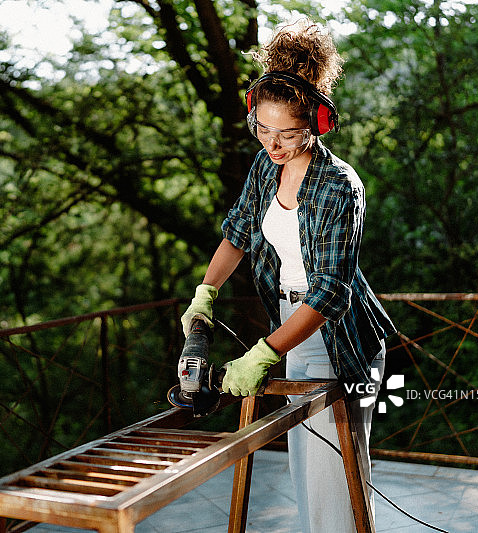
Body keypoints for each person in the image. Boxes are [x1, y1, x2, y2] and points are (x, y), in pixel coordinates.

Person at [180, 18, 396, 533]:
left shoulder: (339, 186)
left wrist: (264, 352)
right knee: (307, 469)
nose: (273, 143)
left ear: (317, 124)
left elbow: (329, 292)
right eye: (264, 129)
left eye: (288, 133)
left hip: (335, 333)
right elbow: (237, 232)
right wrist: (205, 292)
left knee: (331, 477)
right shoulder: (264, 166)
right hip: (289, 324)